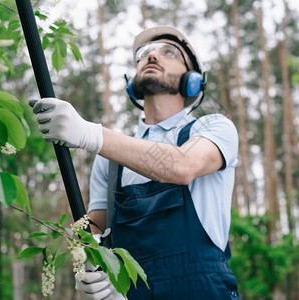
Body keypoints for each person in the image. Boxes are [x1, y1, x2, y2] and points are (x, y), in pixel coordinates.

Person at [30, 25, 240, 300]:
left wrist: (90, 133)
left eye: (169, 52)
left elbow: (183, 166)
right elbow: (94, 225)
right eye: (144, 53)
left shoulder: (213, 127)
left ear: (192, 79)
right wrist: (91, 270)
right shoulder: (111, 160)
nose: (152, 56)